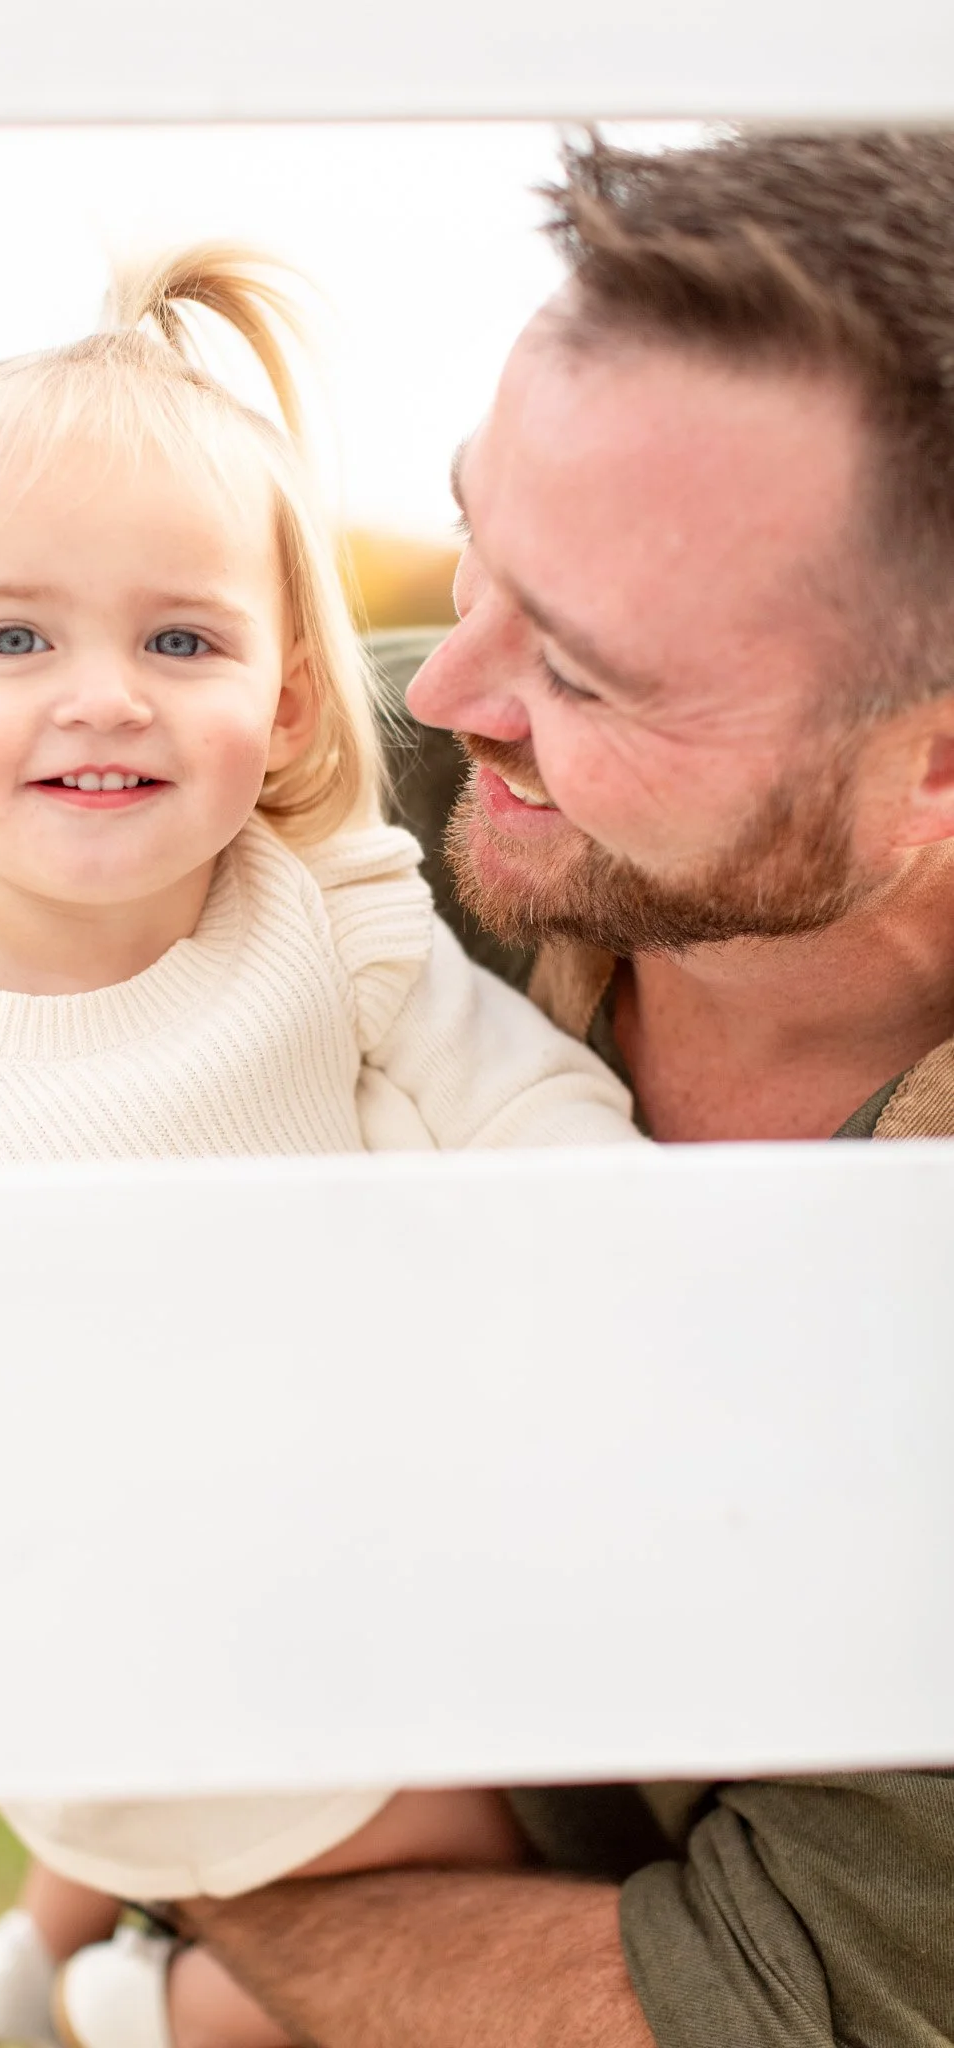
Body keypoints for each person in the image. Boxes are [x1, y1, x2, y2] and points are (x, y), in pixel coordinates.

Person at [0, 246, 638, 2048]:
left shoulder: (327, 915)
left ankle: (63, 1963)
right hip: (124, 1670)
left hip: (349, 1588)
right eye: (14, 636)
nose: (103, 692)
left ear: (282, 704)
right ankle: (159, 1987)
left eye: (180, 639)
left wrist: (621, 1251)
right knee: (440, 1924)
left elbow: (518, 1097)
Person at [158, 130, 954, 2048]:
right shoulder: (335, 807)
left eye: (586, 670)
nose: (442, 691)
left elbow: (771, 2013)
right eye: (471, 541)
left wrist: (204, 1847)